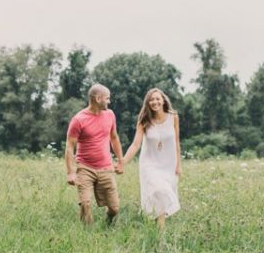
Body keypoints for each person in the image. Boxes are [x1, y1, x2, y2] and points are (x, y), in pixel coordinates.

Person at [65, 83, 125, 225]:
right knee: (85, 204)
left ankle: (107, 225)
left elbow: (114, 138)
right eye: (107, 98)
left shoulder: (110, 115)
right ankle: (88, 235)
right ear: (98, 98)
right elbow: (69, 147)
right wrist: (70, 172)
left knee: (114, 208)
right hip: (85, 167)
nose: (109, 102)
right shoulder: (79, 119)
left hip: (106, 167)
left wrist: (120, 161)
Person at [122, 88, 182, 230]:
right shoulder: (144, 120)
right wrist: (122, 162)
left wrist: (179, 165)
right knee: (159, 189)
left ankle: (157, 227)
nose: (155, 102)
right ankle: (161, 233)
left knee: (162, 195)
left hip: (168, 163)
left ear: (163, 100)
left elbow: (177, 142)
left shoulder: (173, 117)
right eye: (151, 100)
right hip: (150, 164)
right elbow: (136, 144)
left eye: (157, 99)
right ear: (148, 103)